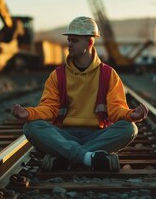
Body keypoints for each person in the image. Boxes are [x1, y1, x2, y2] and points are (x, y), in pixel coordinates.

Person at [12, 16, 148, 172]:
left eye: (74, 40)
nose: (69, 44)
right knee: (31, 127)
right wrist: (28, 113)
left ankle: (65, 158)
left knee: (129, 128)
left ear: (89, 43)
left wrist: (131, 114)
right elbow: (49, 108)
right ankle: (88, 158)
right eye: (69, 40)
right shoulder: (58, 75)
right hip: (64, 134)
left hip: (96, 135)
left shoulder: (108, 74)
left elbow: (116, 109)